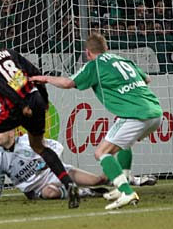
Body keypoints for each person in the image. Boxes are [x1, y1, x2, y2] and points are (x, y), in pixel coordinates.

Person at [30, 32, 163, 210]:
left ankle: (126, 191)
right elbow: (147, 79)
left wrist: (45, 78)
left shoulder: (95, 66)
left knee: (101, 153)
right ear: (106, 48)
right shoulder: (122, 60)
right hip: (156, 112)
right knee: (124, 144)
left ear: (88, 53)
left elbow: (68, 83)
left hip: (136, 115)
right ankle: (121, 184)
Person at [0, 31, 81, 209]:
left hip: (17, 106)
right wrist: (44, 98)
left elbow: (0, 85)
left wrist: (21, 104)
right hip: (36, 98)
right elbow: (34, 73)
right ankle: (68, 184)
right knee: (39, 147)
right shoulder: (9, 53)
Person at [0, 129, 109, 202]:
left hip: (56, 173)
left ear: (11, 133)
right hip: (38, 190)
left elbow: (57, 146)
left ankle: (124, 180)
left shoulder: (28, 141)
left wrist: (46, 163)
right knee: (50, 193)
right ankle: (84, 192)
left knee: (98, 180)